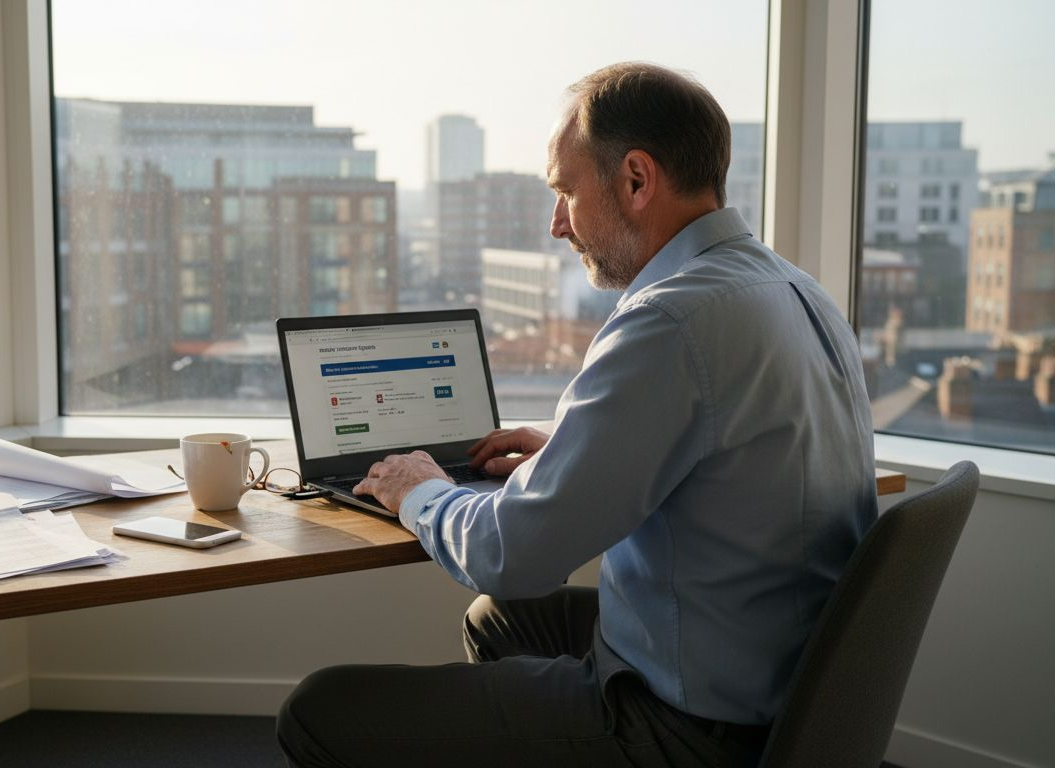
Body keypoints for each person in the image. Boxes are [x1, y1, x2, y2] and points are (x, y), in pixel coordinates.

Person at [276, 61, 877, 768]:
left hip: (690, 728)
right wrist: (570, 447)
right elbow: (737, 449)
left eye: (565, 190)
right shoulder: (791, 288)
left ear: (635, 180)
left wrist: (419, 491)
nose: (556, 223)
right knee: (500, 624)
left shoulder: (670, 320)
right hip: (783, 679)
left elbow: (513, 555)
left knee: (319, 710)